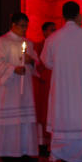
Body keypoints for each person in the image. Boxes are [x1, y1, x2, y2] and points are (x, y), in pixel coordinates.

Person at [41, 2, 82, 162]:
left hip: (63, 91)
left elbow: (46, 62)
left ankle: (66, 160)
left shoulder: (53, 38)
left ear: (63, 16)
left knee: (65, 122)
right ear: (78, 15)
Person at [0, 13, 40, 162]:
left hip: (25, 91)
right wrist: (13, 69)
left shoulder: (28, 43)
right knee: (11, 121)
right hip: (9, 90)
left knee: (24, 120)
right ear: (13, 25)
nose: (25, 29)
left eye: (26, 26)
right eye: (22, 26)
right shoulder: (1, 42)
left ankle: (25, 152)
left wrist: (31, 62)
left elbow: (37, 65)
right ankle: (8, 153)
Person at [33, 21, 56, 153]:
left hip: (54, 80)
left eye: (55, 30)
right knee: (44, 111)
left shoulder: (57, 43)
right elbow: (37, 64)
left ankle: (52, 142)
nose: (54, 32)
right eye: (51, 30)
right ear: (44, 32)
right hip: (44, 82)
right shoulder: (39, 46)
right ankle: (42, 143)